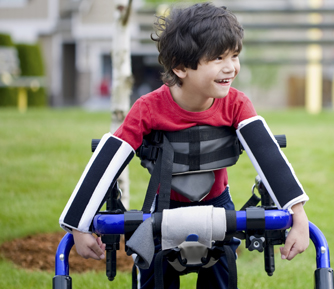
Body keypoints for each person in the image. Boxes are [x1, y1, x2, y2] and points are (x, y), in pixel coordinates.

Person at [58, 3, 310, 288]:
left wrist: (298, 217)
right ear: (180, 67)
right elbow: (110, 158)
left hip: (218, 208)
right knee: (154, 278)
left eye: (235, 55)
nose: (231, 67)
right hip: (163, 211)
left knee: (223, 278)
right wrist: (79, 225)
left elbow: (269, 157)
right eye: (218, 57)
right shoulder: (148, 108)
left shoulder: (237, 104)